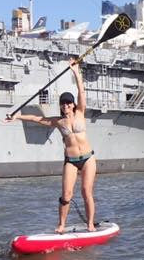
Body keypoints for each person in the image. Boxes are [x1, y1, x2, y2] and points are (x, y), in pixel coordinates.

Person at [5, 59, 97, 232]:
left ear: (73, 104)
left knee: (86, 192)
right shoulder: (58, 121)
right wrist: (16, 116)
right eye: (63, 103)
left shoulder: (80, 113)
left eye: (68, 103)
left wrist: (76, 71)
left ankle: (90, 224)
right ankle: (61, 225)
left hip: (87, 159)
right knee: (66, 196)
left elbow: (81, 91)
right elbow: (37, 119)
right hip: (71, 160)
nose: (66, 105)